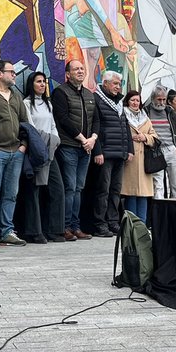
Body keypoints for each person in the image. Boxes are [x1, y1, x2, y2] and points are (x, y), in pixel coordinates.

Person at [0, 59, 29, 246]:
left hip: (16, 151)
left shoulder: (16, 95)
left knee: (11, 193)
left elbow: (25, 123)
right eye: (11, 72)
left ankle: (7, 230)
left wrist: (23, 145)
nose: (14, 75)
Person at [52, 59, 100, 241]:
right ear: (68, 74)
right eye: (76, 69)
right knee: (70, 187)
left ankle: (76, 226)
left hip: (86, 147)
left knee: (79, 188)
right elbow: (62, 118)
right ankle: (64, 227)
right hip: (69, 146)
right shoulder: (60, 92)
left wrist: (93, 139)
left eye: (82, 68)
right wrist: (82, 138)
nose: (80, 71)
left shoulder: (89, 94)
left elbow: (96, 120)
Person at [21, 72, 63, 243]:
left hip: (50, 149)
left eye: (44, 82)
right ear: (31, 84)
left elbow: (53, 125)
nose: (42, 85)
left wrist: (55, 140)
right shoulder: (26, 103)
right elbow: (30, 128)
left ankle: (55, 229)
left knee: (57, 187)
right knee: (34, 189)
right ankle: (34, 231)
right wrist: (45, 142)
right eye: (38, 82)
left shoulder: (48, 104)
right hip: (36, 151)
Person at [91, 70, 130, 237]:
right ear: (105, 83)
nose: (117, 87)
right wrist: (98, 151)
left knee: (116, 190)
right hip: (105, 153)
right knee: (103, 190)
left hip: (119, 152)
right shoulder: (97, 99)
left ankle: (113, 221)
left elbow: (125, 126)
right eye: (114, 84)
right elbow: (95, 127)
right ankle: (100, 223)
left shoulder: (119, 102)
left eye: (119, 84)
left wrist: (129, 149)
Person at [120, 90, 156, 221]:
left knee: (143, 194)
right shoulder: (122, 115)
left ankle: (142, 224)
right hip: (130, 159)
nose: (135, 103)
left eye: (137, 100)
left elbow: (155, 136)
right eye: (132, 100)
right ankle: (131, 225)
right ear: (127, 101)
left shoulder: (145, 117)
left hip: (144, 161)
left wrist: (144, 137)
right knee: (131, 193)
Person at [145, 87, 176, 200]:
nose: (161, 102)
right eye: (159, 99)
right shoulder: (146, 111)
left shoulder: (169, 112)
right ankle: (159, 213)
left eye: (164, 99)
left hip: (171, 150)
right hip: (156, 151)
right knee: (158, 185)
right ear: (153, 99)